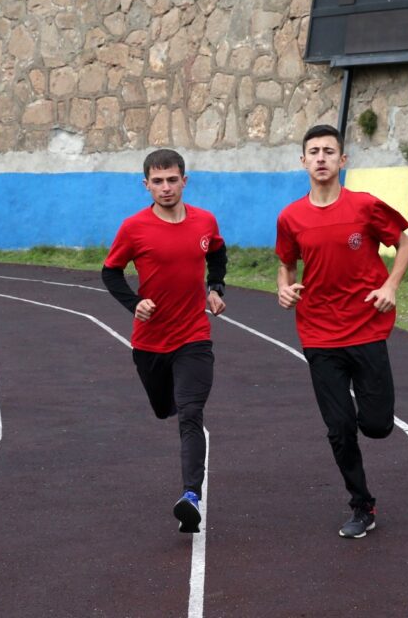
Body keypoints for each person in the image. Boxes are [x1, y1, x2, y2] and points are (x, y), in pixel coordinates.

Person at [275, 124, 408, 539]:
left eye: (329, 151)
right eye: (313, 151)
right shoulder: (290, 217)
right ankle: (362, 504)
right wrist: (284, 287)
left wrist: (390, 285)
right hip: (319, 334)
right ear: (303, 161)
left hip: (367, 327)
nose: (321, 158)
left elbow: (405, 244)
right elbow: (285, 262)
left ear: (342, 160)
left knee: (376, 426)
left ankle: (369, 415)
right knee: (339, 429)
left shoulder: (365, 206)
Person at [102, 148, 227, 534]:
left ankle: (191, 496)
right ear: (146, 185)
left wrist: (215, 287)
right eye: (157, 181)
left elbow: (218, 254)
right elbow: (111, 273)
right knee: (164, 408)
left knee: (191, 414)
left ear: (184, 181)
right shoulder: (133, 228)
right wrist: (135, 304)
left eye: (172, 179)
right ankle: (169, 403)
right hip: (150, 344)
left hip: (194, 337)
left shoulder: (205, 221)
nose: (166, 187)